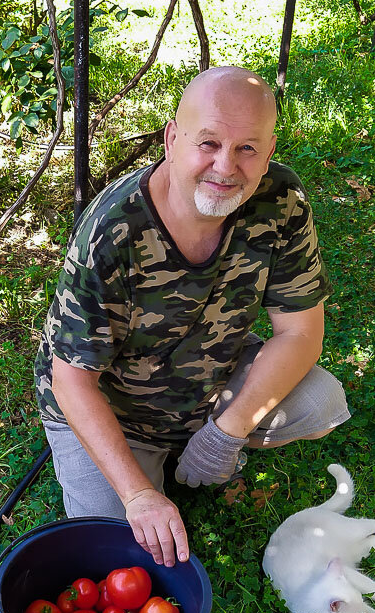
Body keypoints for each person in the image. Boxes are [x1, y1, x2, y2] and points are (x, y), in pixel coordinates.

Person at [33, 66, 350, 569]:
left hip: (209, 383)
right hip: (117, 407)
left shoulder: (281, 201)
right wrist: (138, 495)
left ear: (268, 153)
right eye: (208, 143)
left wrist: (227, 429)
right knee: (120, 554)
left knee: (321, 402)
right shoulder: (112, 230)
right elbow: (71, 380)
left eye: (248, 148)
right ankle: (145, 463)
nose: (226, 167)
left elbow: (302, 331)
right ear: (172, 139)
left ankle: (195, 445)